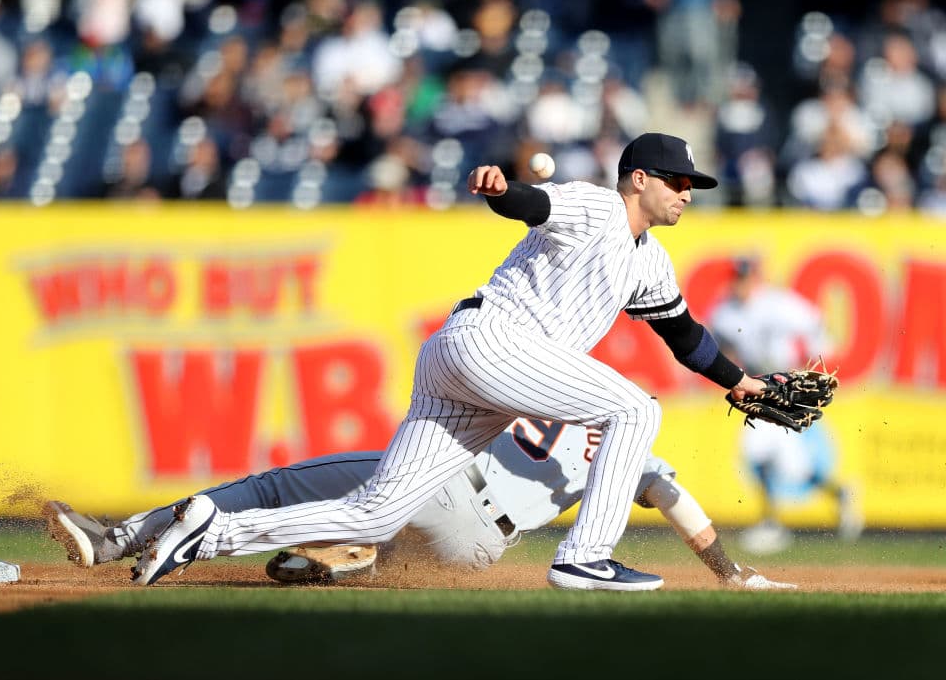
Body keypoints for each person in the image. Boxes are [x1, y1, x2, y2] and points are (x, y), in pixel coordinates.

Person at [129, 132, 768, 591]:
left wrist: (742, 385)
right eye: (679, 181)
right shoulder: (599, 206)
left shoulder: (650, 259)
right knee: (634, 410)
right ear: (640, 180)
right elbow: (531, 204)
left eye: (693, 185)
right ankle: (585, 558)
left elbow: (685, 338)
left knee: (377, 512)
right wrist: (501, 189)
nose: (688, 192)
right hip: (493, 340)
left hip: (468, 367)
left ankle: (212, 532)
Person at [45, 418, 793, 590]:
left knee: (277, 487)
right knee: (384, 549)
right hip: (475, 548)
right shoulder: (641, 448)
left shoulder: (543, 379)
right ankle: (350, 561)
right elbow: (686, 514)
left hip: (442, 486)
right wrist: (731, 574)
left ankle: (120, 540)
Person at [710, 257, 863, 554]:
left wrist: (816, 359)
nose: (742, 283)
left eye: (747, 276)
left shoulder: (776, 303)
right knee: (768, 459)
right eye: (738, 277)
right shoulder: (725, 311)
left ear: (757, 277)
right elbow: (721, 346)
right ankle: (827, 498)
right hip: (756, 384)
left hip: (785, 385)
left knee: (778, 462)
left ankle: (775, 523)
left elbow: (816, 323)